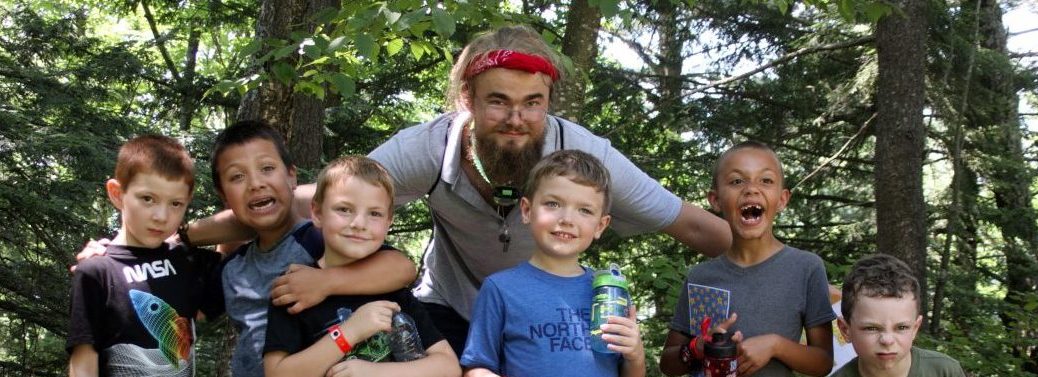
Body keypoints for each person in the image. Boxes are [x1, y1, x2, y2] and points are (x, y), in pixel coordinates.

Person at [179, 24, 730, 357]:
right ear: (467, 97)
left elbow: (694, 226)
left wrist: (787, 272)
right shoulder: (428, 148)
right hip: (450, 307)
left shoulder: (586, 159)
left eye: (532, 103)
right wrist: (180, 233)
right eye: (498, 101)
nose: (516, 119)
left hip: (542, 312)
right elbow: (312, 202)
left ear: (549, 103)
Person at [207, 121, 418, 377]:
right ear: (224, 195)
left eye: (267, 168)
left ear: (292, 176)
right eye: (237, 176)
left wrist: (325, 282)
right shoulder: (233, 267)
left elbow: (402, 268)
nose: (255, 183)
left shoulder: (320, 238)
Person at [263, 156, 459, 377]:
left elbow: (448, 367)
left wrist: (376, 373)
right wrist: (348, 334)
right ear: (317, 213)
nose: (359, 224)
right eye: (344, 209)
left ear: (388, 222)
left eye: (374, 214)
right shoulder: (295, 289)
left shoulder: (392, 291)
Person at [460, 150, 645, 377]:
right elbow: (476, 367)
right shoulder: (500, 289)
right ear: (527, 210)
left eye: (585, 210)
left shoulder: (611, 293)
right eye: (553, 204)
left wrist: (635, 355)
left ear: (600, 225)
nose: (567, 219)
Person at [659, 141, 835, 377]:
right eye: (737, 181)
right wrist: (697, 348)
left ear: (782, 199)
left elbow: (823, 362)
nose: (751, 189)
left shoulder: (806, 268)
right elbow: (668, 365)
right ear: (715, 200)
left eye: (766, 180)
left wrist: (776, 345)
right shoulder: (701, 276)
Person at [67, 135, 224, 376]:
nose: (161, 216)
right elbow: (83, 362)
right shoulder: (96, 271)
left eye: (176, 203)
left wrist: (187, 235)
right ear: (117, 194)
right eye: (147, 199)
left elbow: (251, 224)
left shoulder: (188, 261)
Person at [831, 254, 966, 377]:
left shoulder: (945, 371)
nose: (887, 340)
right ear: (845, 330)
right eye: (871, 328)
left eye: (901, 327)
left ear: (915, 328)